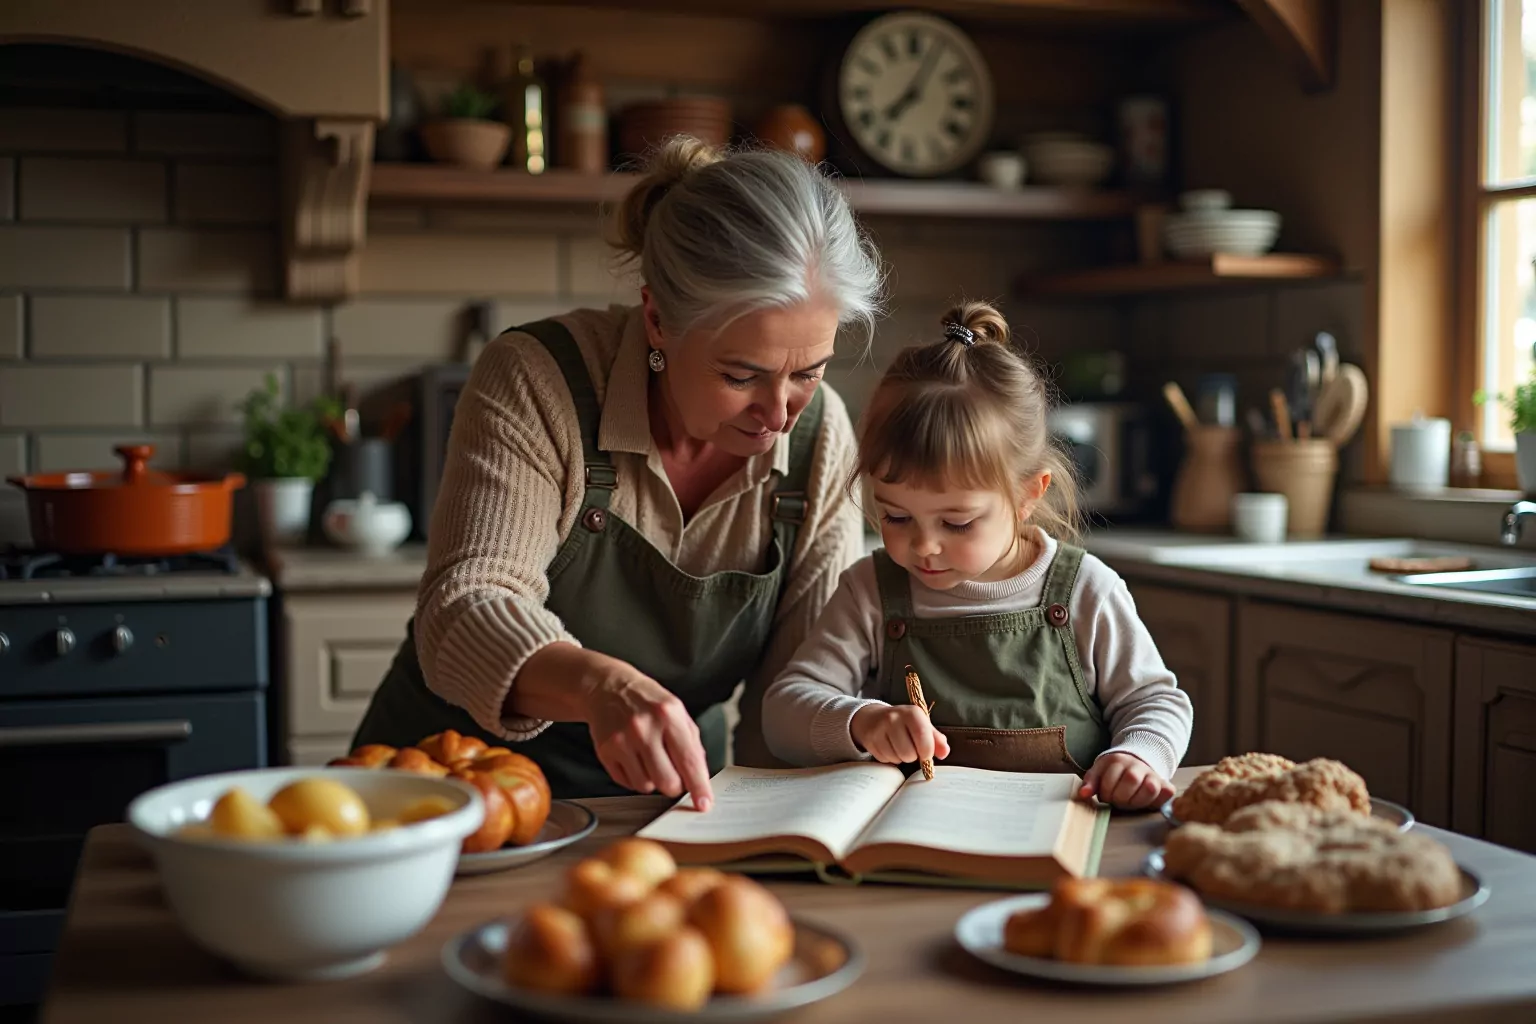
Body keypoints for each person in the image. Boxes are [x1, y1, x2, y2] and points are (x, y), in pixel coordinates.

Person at [351, 138, 884, 810]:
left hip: (665, 806)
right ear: (658, 318)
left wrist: (777, 831)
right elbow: (464, 606)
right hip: (455, 792)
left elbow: (799, 689)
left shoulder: (821, 435)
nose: (779, 413)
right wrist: (601, 688)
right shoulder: (537, 381)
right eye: (740, 374)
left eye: (809, 371)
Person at [760, 302, 1193, 810]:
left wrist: (1139, 757)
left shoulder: (1085, 591)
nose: (922, 546)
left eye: (957, 523)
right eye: (896, 516)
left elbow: (1156, 702)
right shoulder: (871, 593)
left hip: (1059, 844)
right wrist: (861, 721)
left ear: (1028, 495)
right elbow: (783, 712)